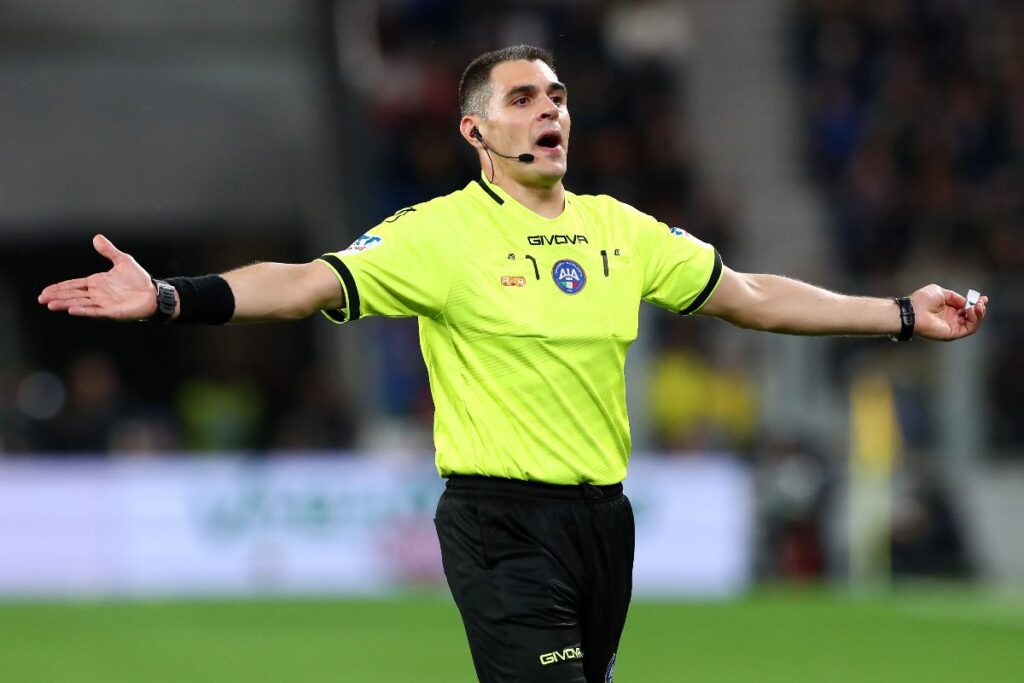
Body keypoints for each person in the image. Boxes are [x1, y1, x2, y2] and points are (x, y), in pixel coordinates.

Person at [38, 45, 988, 683]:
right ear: (475, 131)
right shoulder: (437, 235)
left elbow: (751, 295)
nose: (551, 114)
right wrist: (170, 294)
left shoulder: (620, 228)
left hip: (601, 522)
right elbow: (304, 282)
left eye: (560, 98)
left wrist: (901, 313)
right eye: (524, 100)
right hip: (500, 523)